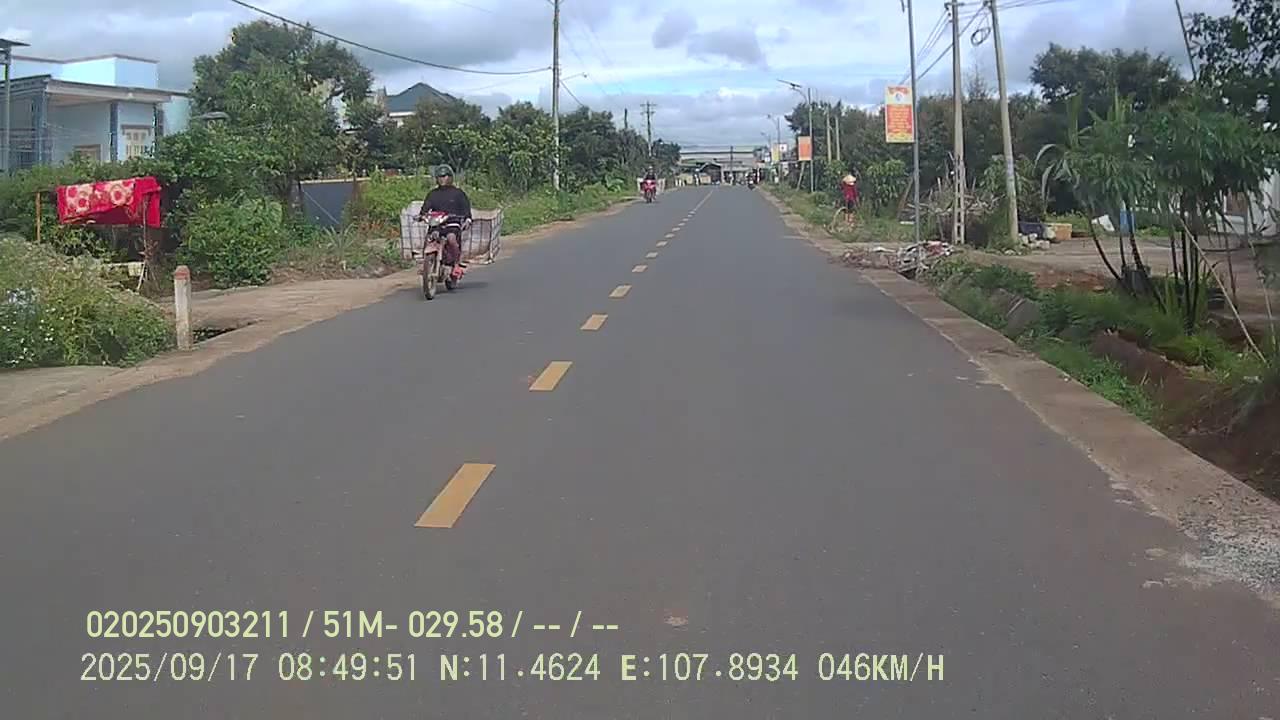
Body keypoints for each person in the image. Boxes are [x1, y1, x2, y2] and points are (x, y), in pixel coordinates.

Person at [418, 164, 472, 266]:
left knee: (451, 239)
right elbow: (426, 207)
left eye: (445, 176)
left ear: (450, 177)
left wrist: (468, 218)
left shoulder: (458, 193)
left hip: (452, 223)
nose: (442, 179)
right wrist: (422, 215)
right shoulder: (433, 194)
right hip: (437, 223)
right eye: (440, 177)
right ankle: (426, 263)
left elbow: (465, 208)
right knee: (429, 238)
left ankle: (456, 262)